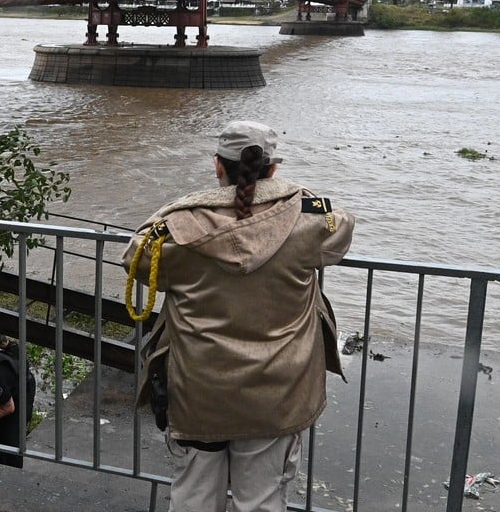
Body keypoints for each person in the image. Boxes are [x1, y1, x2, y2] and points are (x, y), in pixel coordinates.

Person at [123, 120, 355, 512]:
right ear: (273, 169)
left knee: (193, 496)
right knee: (262, 500)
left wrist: (180, 207)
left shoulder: (180, 232)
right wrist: (291, 195)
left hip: (199, 390)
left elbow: (137, 258)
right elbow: (341, 229)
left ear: (218, 166)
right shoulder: (309, 222)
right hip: (277, 392)